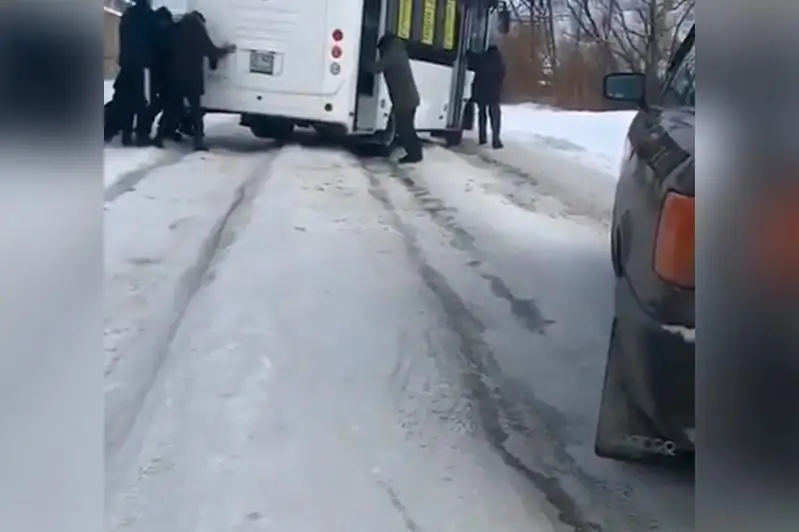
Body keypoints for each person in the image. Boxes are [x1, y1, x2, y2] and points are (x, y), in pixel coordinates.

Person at [153, 11, 235, 151]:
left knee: (170, 109)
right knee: (196, 112)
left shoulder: (176, 29)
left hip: (175, 77)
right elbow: (212, 52)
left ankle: (159, 137)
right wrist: (227, 50)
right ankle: (198, 142)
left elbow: (165, 49)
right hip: (192, 79)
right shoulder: (199, 32)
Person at [373, 33, 422, 164]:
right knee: (405, 128)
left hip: (405, 100)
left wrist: (361, 63)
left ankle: (415, 154)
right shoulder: (398, 50)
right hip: (406, 99)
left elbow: (376, 68)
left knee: (405, 129)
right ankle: (413, 152)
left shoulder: (392, 54)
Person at [117, 0, 157, 146]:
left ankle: (126, 135)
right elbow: (155, 40)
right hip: (143, 65)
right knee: (143, 101)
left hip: (126, 64)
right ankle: (142, 135)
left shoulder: (127, 15)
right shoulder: (149, 16)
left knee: (128, 100)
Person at [472, 45, 505, 149]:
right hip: (494, 94)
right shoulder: (500, 62)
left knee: (482, 115)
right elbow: (502, 75)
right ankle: (496, 140)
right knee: (495, 117)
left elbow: (474, 64)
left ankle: (482, 138)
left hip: (481, 92)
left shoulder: (482, 59)